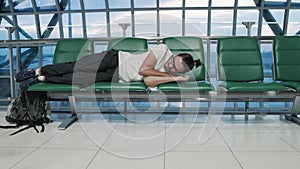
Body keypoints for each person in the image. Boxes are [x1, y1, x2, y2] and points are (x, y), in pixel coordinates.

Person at [15, 44, 201, 90]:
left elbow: (148, 81)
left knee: (79, 78)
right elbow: (144, 70)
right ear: (175, 55)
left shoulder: (167, 73)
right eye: (173, 63)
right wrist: (167, 75)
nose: (171, 67)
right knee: (76, 67)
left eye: (175, 69)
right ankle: (37, 70)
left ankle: (41, 79)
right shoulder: (163, 49)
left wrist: (174, 79)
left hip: (116, 76)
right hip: (114, 59)